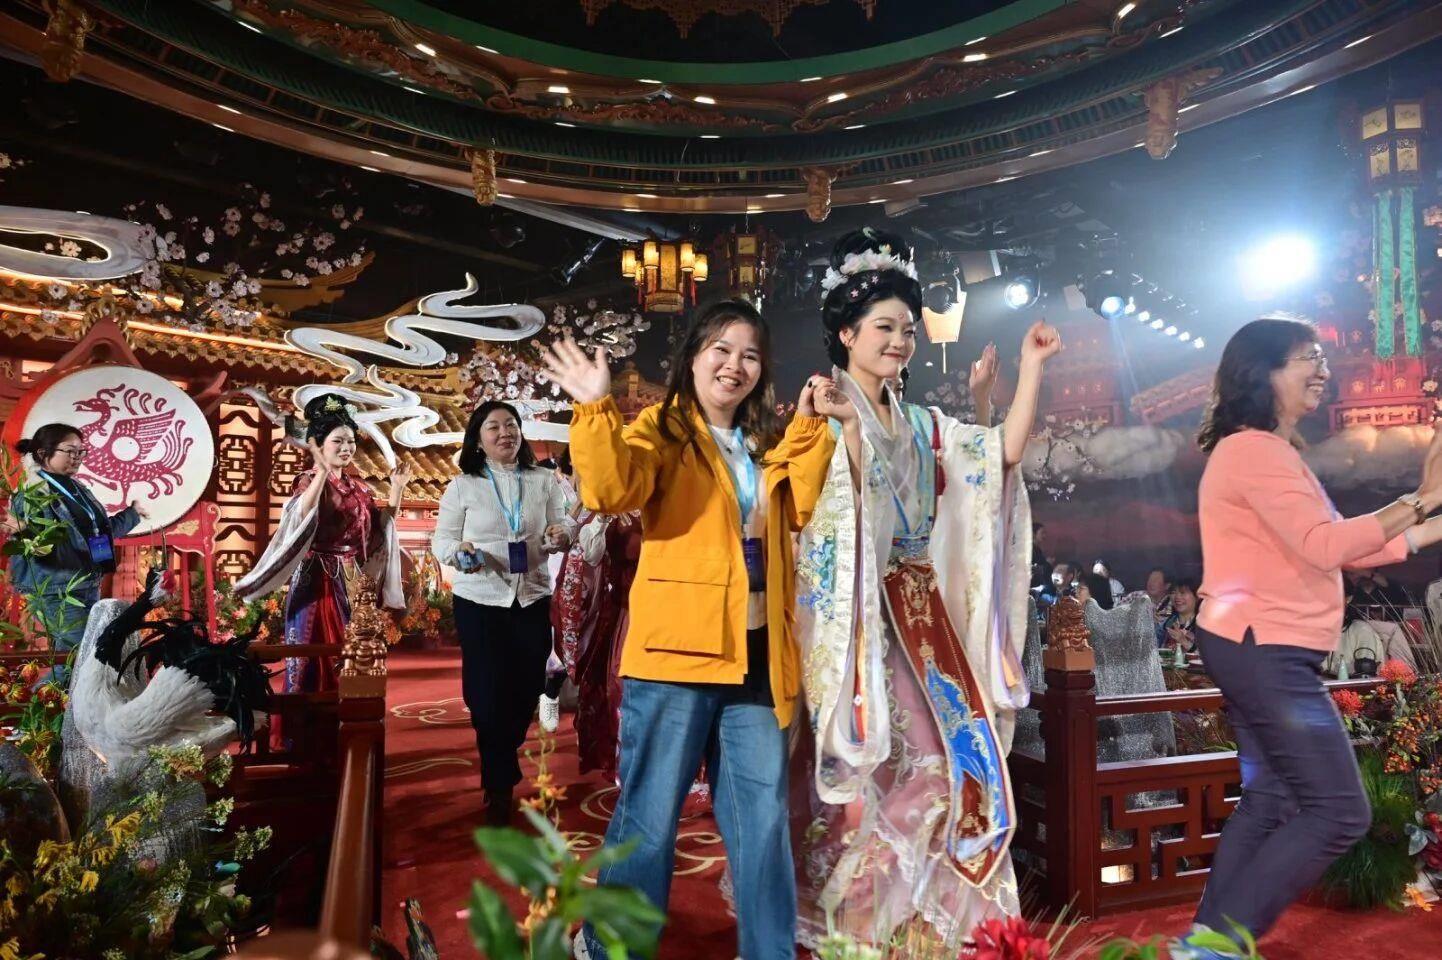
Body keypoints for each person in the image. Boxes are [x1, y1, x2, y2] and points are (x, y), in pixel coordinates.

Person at [541, 298, 844, 960]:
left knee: (762, 823)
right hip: (675, 656)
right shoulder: (663, 429)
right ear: (694, 358)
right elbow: (610, 490)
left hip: (755, 655)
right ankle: (610, 947)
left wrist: (811, 427)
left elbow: (800, 505)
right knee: (650, 820)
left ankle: (768, 953)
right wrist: (594, 410)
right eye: (722, 350)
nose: (735, 365)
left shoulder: (761, 443)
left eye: (750, 355)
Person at [791, 227, 1061, 947]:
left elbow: (1000, 456)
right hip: (858, 615)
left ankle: (922, 929)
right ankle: (860, 923)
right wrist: (841, 437)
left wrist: (1031, 370)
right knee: (885, 769)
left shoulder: (921, 423)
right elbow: (812, 520)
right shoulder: (821, 410)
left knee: (957, 764)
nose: (900, 341)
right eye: (884, 327)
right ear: (846, 333)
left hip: (922, 614)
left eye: (908, 329)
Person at [1184, 316, 1442, 955]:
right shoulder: (1256, 451)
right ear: (1263, 371)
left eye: (1323, 356)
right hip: (1263, 648)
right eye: (1308, 356)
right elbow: (1327, 545)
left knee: (1270, 798)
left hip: (1249, 642)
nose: (1324, 369)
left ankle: (1207, 942)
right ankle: (1216, 941)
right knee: (1339, 810)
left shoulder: (1265, 451)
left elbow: (1346, 548)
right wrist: (1421, 497)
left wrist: (1432, 515)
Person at [431, 400, 574, 825]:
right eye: (493, 427)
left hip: (531, 597)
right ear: (478, 440)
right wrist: (460, 551)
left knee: (526, 687)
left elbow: (563, 526)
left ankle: (501, 756)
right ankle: (498, 783)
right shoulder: (463, 486)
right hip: (480, 599)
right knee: (485, 694)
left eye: (510, 425)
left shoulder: (544, 480)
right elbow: (442, 541)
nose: (505, 433)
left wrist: (559, 534)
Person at [237, 394, 410, 696]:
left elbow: (381, 528)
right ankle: (306, 719)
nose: (346, 448)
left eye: (350, 441)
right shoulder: (307, 480)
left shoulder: (359, 488)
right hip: (316, 579)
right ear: (319, 444)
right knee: (315, 653)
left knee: (351, 653)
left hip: (351, 579)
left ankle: (347, 715)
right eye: (337, 441)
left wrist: (397, 489)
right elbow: (302, 515)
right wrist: (320, 471)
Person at [4, 423, 148, 680]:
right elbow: (39, 546)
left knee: (75, 657)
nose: (77, 458)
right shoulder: (32, 493)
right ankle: (42, 700)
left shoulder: (77, 488)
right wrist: (25, 533)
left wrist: (132, 514)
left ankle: (48, 704)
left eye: (81, 452)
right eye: (70, 451)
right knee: (80, 656)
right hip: (56, 589)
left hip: (86, 582)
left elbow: (97, 532)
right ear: (43, 453)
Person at [1162, 577, 1200, 654]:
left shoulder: (1205, 627)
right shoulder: (1166, 623)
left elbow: (1212, 656)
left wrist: (1184, 642)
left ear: (1196, 596)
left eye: (1183, 592)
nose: (1177, 597)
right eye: (1173, 592)